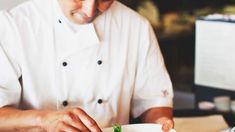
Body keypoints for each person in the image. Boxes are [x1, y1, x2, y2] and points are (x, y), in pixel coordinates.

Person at [0, 0, 174, 131]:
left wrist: (160, 122)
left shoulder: (137, 27)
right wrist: (42, 119)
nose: (89, 10)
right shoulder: (15, 24)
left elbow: (153, 100)